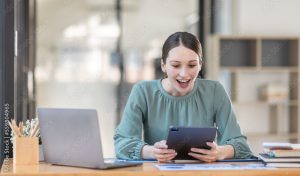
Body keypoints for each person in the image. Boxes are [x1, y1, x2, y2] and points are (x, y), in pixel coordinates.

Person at [114, 32, 253, 162]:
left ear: (200, 65)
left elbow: (240, 144)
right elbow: (122, 143)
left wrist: (220, 152)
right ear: (163, 65)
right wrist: (151, 152)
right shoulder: (143, 91)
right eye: (175, 65)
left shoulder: (215, 91)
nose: (184, 74)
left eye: (192, 65)